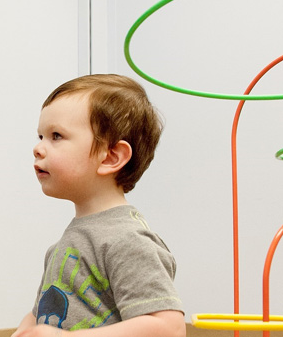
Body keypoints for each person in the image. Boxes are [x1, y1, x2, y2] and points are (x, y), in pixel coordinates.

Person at [12, 74, 185, 337]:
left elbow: (168, 328)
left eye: (56, 136)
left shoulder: (128, 240)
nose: (38, 148)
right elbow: (39, 314)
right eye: (40, 136)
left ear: (111, 157)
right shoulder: (62, 247)